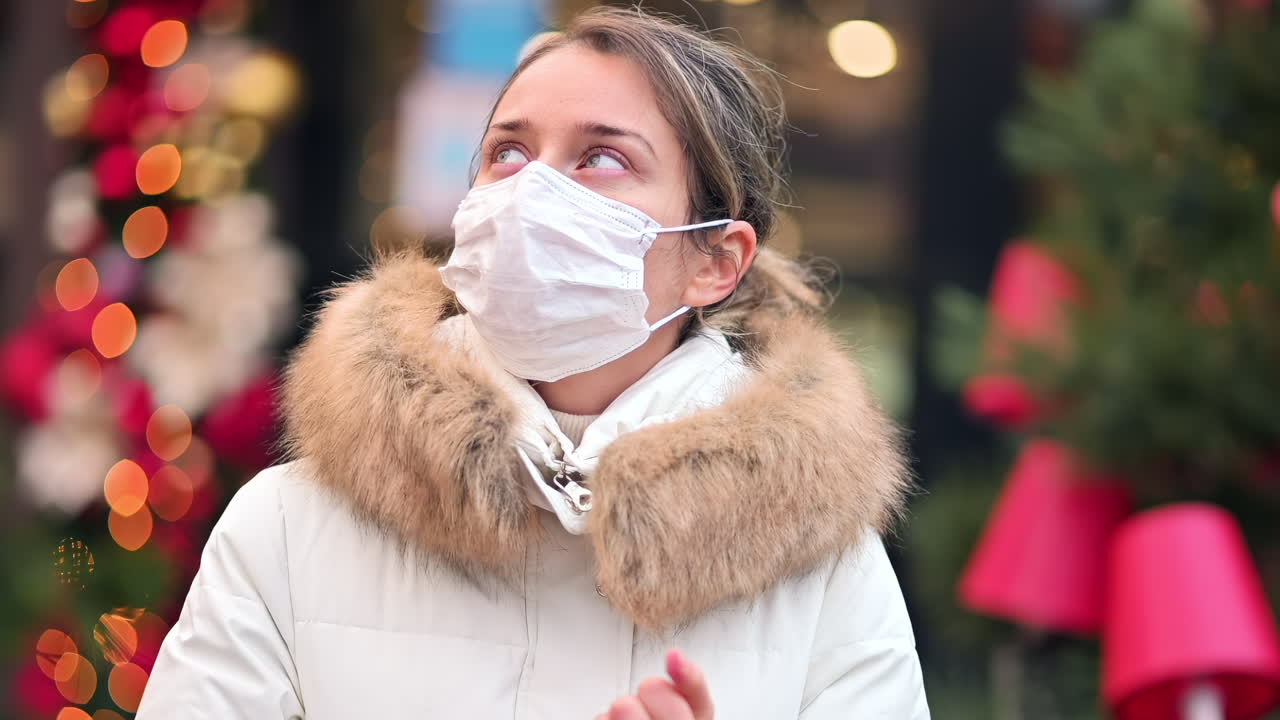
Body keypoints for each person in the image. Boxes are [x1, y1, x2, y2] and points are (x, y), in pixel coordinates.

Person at [135, 6, 930, 719]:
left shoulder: (824, 575)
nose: (531, 192)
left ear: (715, 261)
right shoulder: (287, 527)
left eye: (603, 160)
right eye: (507, 153)